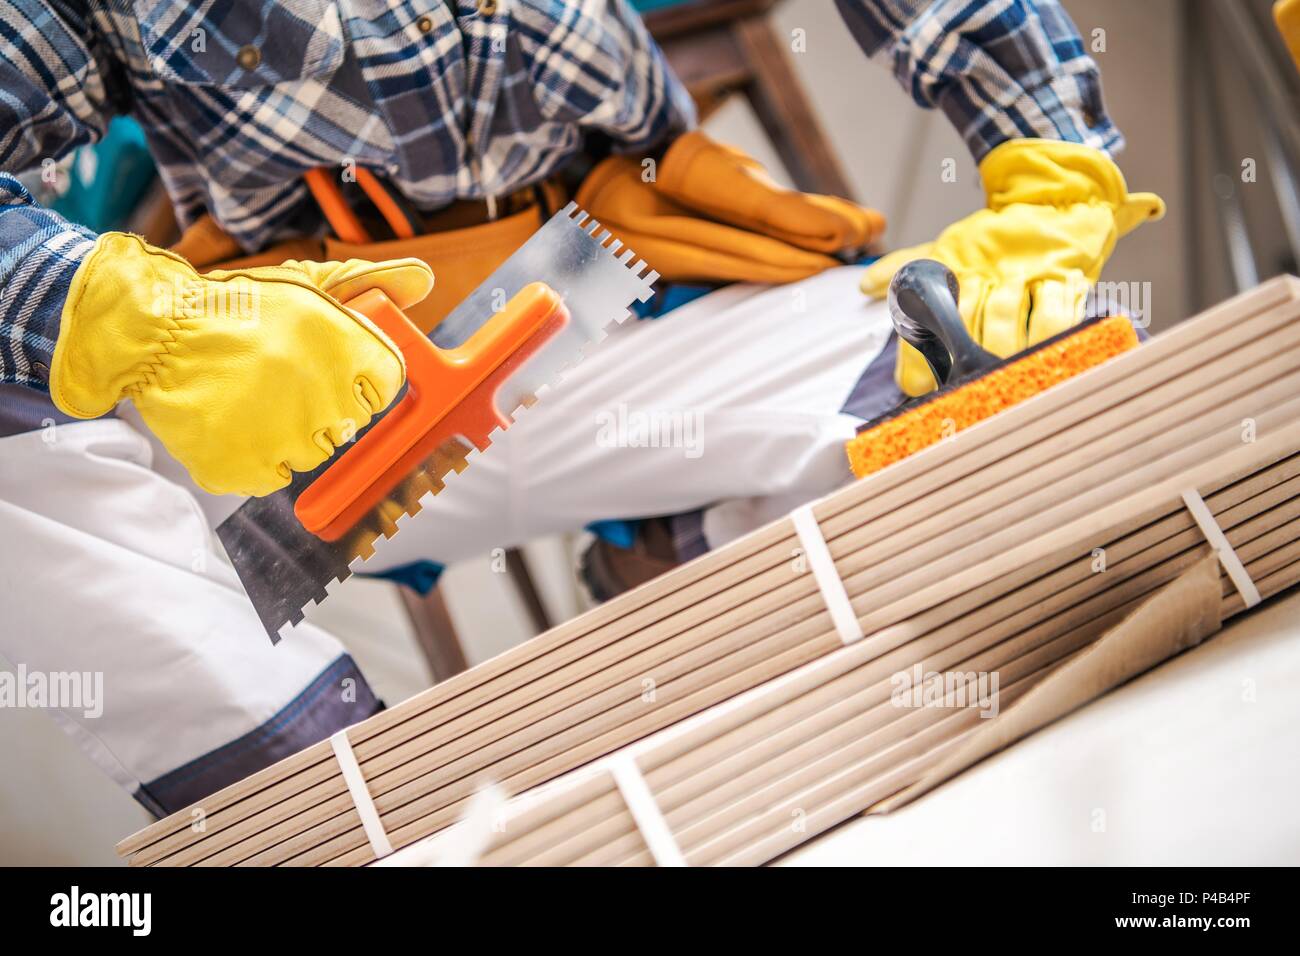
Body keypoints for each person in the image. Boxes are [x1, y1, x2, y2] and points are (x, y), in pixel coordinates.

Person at [0, 0, 1161, 816]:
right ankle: (322, 810)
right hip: (294, 373)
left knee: (1034, 379)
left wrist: (1049, 156)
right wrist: (131, 317)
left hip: (613, 301)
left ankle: (697, 560)